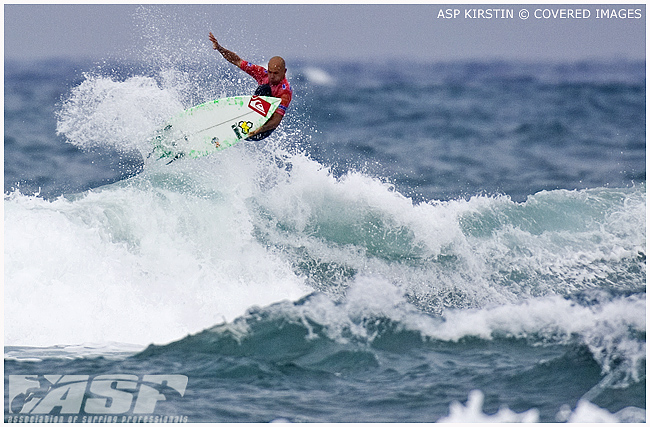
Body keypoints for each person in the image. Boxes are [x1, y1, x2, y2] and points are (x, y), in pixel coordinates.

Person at [209, 32, 292, 141]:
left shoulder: (285, 91)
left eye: (276, 73)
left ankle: (248, 122)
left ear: (284, 72)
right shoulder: (263, 74)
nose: (271, 76)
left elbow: (276, 121)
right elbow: (237, 61)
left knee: (265, 89)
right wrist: (220, 48)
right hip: (249, 120)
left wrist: (260, 128)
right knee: (264, 88)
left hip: (264, 129)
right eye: (270, 72)